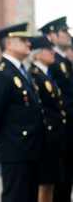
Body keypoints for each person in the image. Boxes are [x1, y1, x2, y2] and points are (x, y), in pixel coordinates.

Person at [0, 22, 44, 202]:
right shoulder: (1, 73)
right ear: (9, 44)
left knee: (30, 197)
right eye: (23, 40)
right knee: (16, 197)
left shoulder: (20, 70)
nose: (28, 44)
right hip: (15, 150)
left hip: (30, 148)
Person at [28, 35, 66, 202]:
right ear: (37, 54)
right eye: (48, 50)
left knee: (51, 183)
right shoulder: (34, 75)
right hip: (46, 138)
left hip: (55, 138)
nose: (52, 53)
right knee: (43, 185)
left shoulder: (45, 74)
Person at [39, 17, 73, 202]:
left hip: (66, 128)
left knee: (65, 180)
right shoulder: (53, 60)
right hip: (59, 128)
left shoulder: (62, 60)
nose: (69, 35)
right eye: (64, 32)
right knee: (58, 184)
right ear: (52, 35)